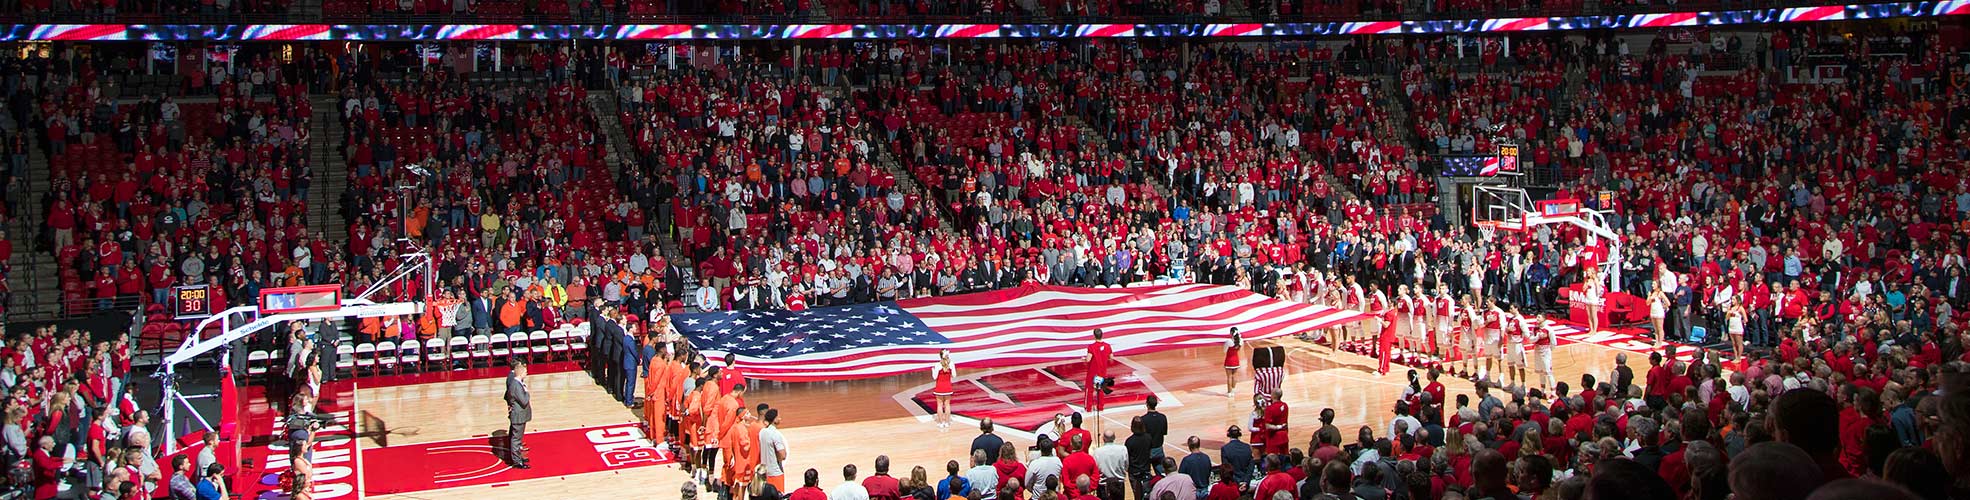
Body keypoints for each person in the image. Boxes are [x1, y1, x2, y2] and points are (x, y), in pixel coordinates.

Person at [1082, 329, 1114, 437]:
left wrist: (1083, 359)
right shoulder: (1108, 346)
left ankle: (1088, 408)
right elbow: (1111, 358)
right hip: (1102, 372)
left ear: (1094, 336)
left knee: (1089, 390)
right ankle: (1101, 407)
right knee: (1100, 390)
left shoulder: (1091, 347)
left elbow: (1088, 359)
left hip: (1093, 373)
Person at [505, 358, 532, 468]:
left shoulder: (517, 383)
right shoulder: (516, 385)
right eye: (525, 372)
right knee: (516, 439)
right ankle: (516, 461)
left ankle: (518, 458)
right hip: (518, 415)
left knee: (517, 438)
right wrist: (527, 392)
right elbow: (524, 400)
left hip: (519, 414)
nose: (527, 373)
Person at [760, 409, 789, 491]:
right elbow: (783, 455)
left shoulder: (762, 432)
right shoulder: (775, 434)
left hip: (764, 472)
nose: (780, 418)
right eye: (778, 417)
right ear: (774, 419)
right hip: (775, 472)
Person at [932, 350, 956, 430]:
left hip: (939, 387)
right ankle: (947, 422)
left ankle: (941, 423)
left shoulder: (937, 365)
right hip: (948, 387)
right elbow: (954, 375)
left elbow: (935, 377)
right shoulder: (951, 364)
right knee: (947, 405)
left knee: (939, 405)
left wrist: (932, 371)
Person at [1223, 328, 1242, 396]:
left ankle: (1229, 392)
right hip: (1236, 360)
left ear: (1231, 333)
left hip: (1228, 360)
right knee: (1235, 376)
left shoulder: (1228, 341)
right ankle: (1233, 390)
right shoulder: (1241, 341)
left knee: (1229, 377)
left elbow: (1224, 351)